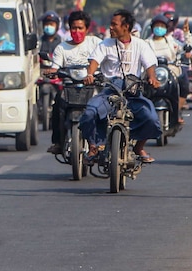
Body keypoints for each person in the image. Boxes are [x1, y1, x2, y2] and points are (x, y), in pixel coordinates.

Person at [81, 9, 162, 164]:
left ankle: (139, 147)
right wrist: (89, 74)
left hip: (132, 92)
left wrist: (152, 78)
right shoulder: (105, 44)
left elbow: (150, 64)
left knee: (151, 117)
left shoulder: (140, 45)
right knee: (89, 114)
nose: (110, 28)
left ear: (126, 27)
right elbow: (94, 62)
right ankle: (93, 146)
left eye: (114, 25)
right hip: (109, 92)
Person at [45, 10, 101, 155]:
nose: (77, 31)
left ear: (87, 29)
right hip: (69, 89)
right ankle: (58, 142)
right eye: (74, 28)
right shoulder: (61, 48)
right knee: (57, 104)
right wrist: (52, 71)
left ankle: (100, 141)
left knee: (103, 108)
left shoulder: (95, 43)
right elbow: (55, 67)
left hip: (91, 88)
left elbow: (107, 59)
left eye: (80, 28)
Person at [146, 14, 185, 124]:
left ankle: (177, 113)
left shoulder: (171, 42)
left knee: (180, 84)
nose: (159, 28)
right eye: (157, 25)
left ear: (166, 28)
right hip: (152, 71)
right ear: (152, 27)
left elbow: (184, 48)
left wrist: (187, 38)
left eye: (161, 25)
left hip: (170, 70)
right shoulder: (146, 43)